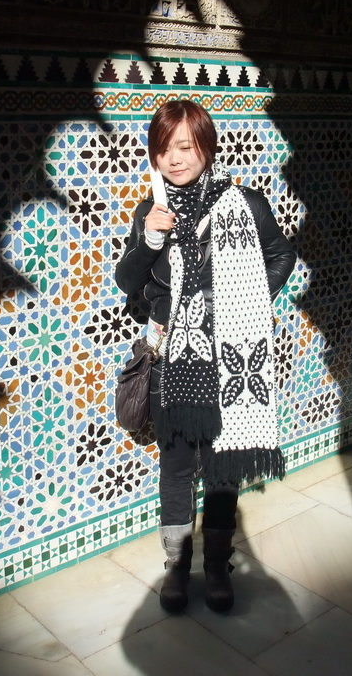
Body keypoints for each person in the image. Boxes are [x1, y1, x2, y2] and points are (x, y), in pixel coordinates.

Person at [115, 99, 296, 612]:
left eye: (186, 145)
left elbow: (282, 254)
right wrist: (150, 239)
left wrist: (247, 304)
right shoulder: (150, 213)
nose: (175, 158)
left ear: (206, 146)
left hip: (229, 360)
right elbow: (126, 281)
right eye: (165, 148)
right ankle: (177, 568)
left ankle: (217, 566)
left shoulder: (243, 203)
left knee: (221, 469)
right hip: (172, 361)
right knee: (175, 468)